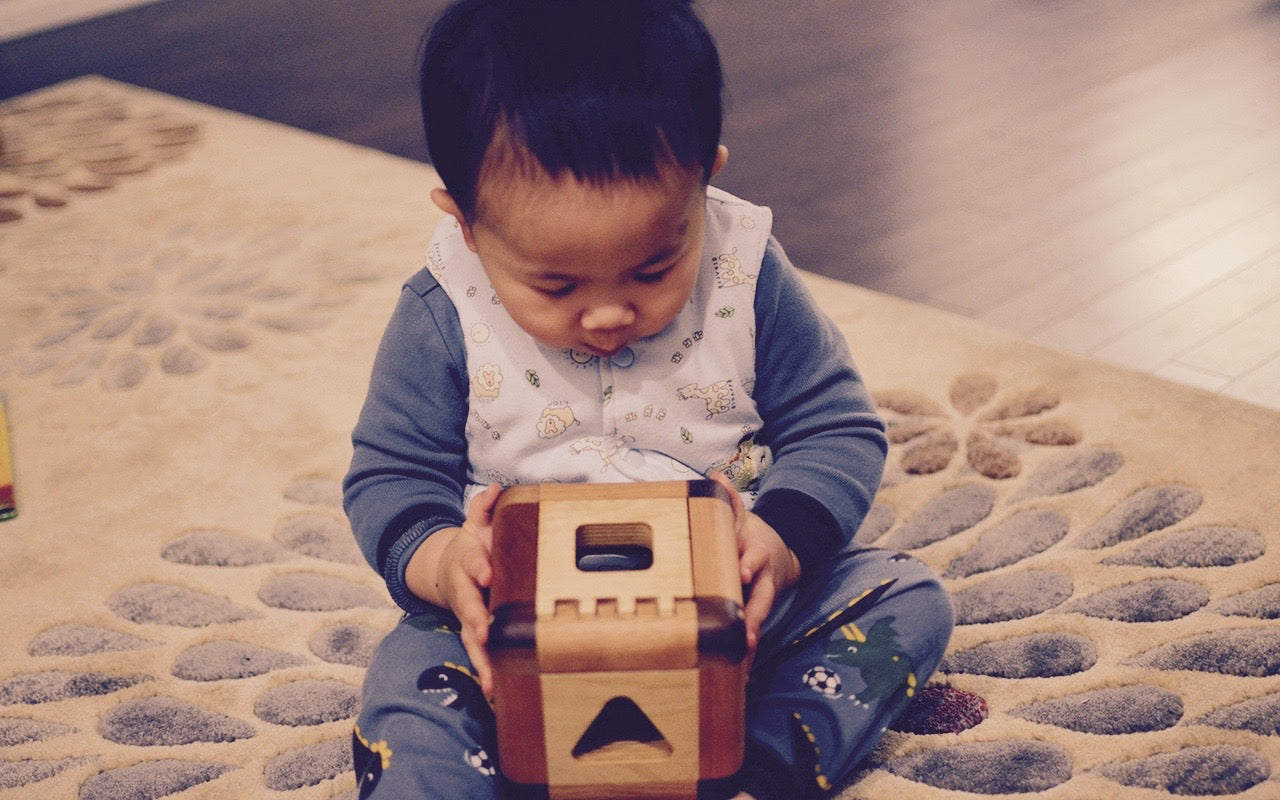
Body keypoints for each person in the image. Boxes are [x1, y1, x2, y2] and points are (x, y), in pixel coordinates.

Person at [343, 1, 953, 797]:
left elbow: (836, 425)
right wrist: (447, 563)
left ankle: (759, 761)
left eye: (653, 267)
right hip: (516, 639)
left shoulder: (747, 275)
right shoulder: (441, 314)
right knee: (411, 676)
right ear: (464, 224)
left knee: (906, 597)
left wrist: (779, 541)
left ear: (705, 182)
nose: (606, 316)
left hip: (728, 618)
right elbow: (389, 478)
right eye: (555, 283)